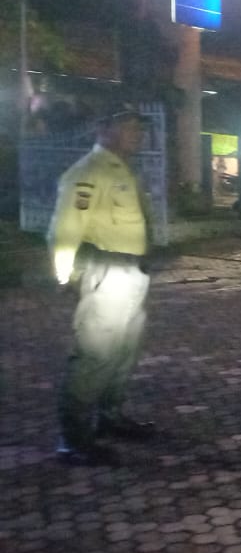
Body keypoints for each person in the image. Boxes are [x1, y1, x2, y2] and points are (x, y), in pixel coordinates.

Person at [47, 109, 157, 466]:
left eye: (139, 127)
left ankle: (109, 417)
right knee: (95, 354)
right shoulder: (88, 172)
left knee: (123, 351)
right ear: (103, 128)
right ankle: (74, 440)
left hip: (131, 270)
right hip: (106, 269)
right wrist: (64, 274)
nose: (137, 133)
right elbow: (66, 228)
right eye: (128, 126)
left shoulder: (124, 169)